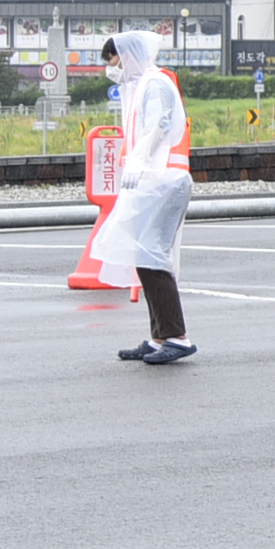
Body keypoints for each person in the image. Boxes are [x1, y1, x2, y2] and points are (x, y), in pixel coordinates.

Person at [105, 30, 197, 363]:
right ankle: (160, 336)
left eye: (113, 62)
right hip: (155, 180)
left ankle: (177, 336)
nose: (113, 70)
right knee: (146, 258)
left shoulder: (155, 83)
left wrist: (140, 158)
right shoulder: (141, 85)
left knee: (154, 257)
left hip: (165, 179)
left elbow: (156, 125)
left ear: (128, 56)